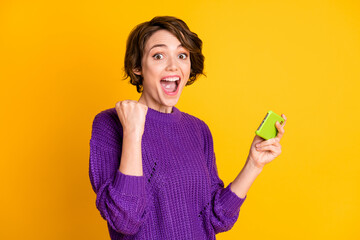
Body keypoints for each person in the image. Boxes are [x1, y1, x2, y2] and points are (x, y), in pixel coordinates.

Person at [89, 16, 287, 240]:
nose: (173, 65)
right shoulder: (110, 124)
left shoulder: (198, 129)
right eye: (159, 55)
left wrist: (254, 164)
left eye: (182, 55)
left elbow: (215, 218)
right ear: (137, 68)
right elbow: (125, 220)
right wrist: (133, 133)